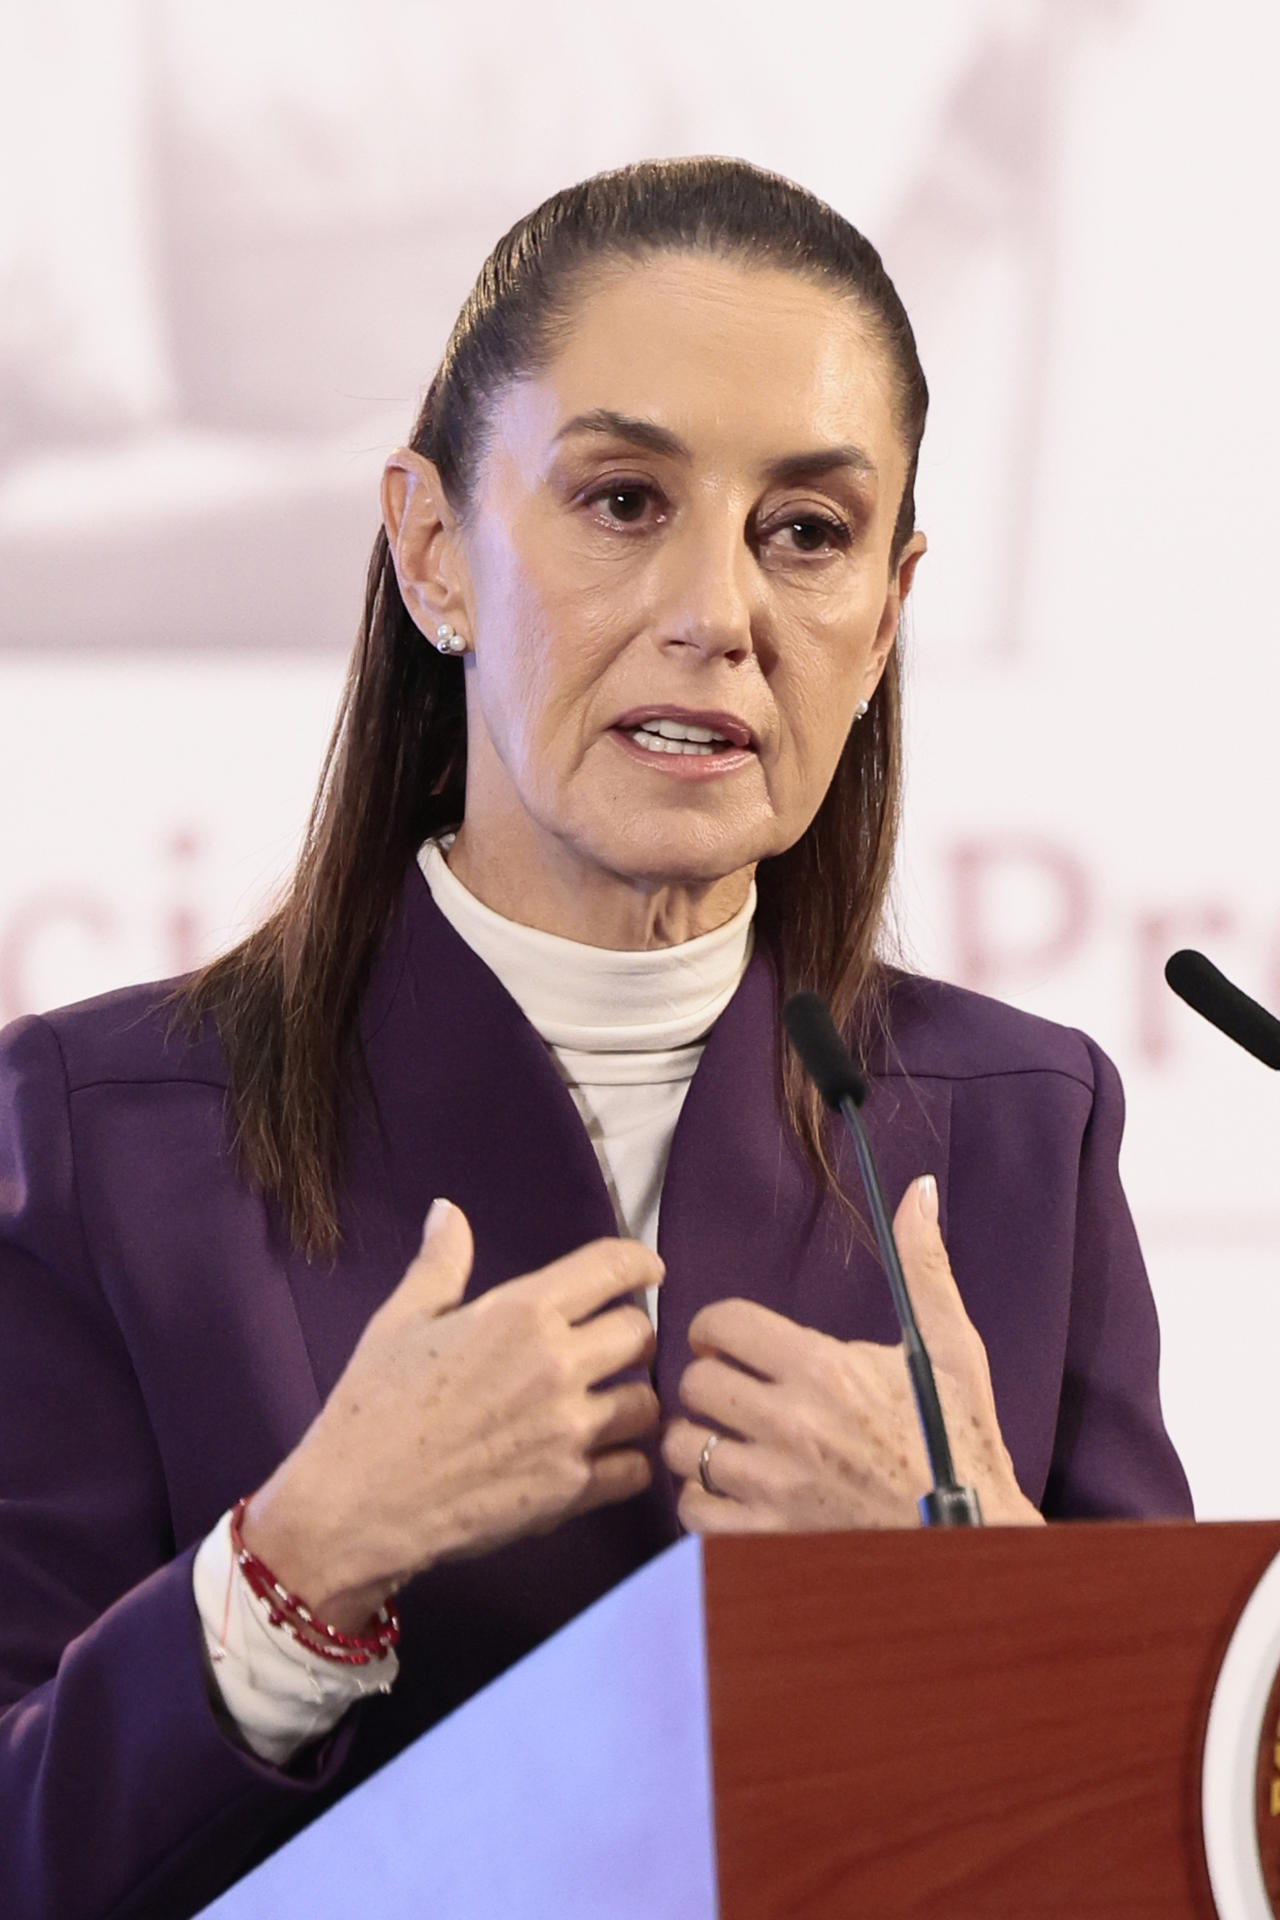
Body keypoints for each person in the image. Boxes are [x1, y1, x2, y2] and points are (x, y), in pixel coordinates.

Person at [0, 156, 1191, 1919]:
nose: (720, 614)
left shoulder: (1019, 1129)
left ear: (888, 611)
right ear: (433, 551)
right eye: (625, 501)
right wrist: (295, 1569)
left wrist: (973, 1587)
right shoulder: (106, 1127)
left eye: (808, 532)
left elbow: (1186, 1847)